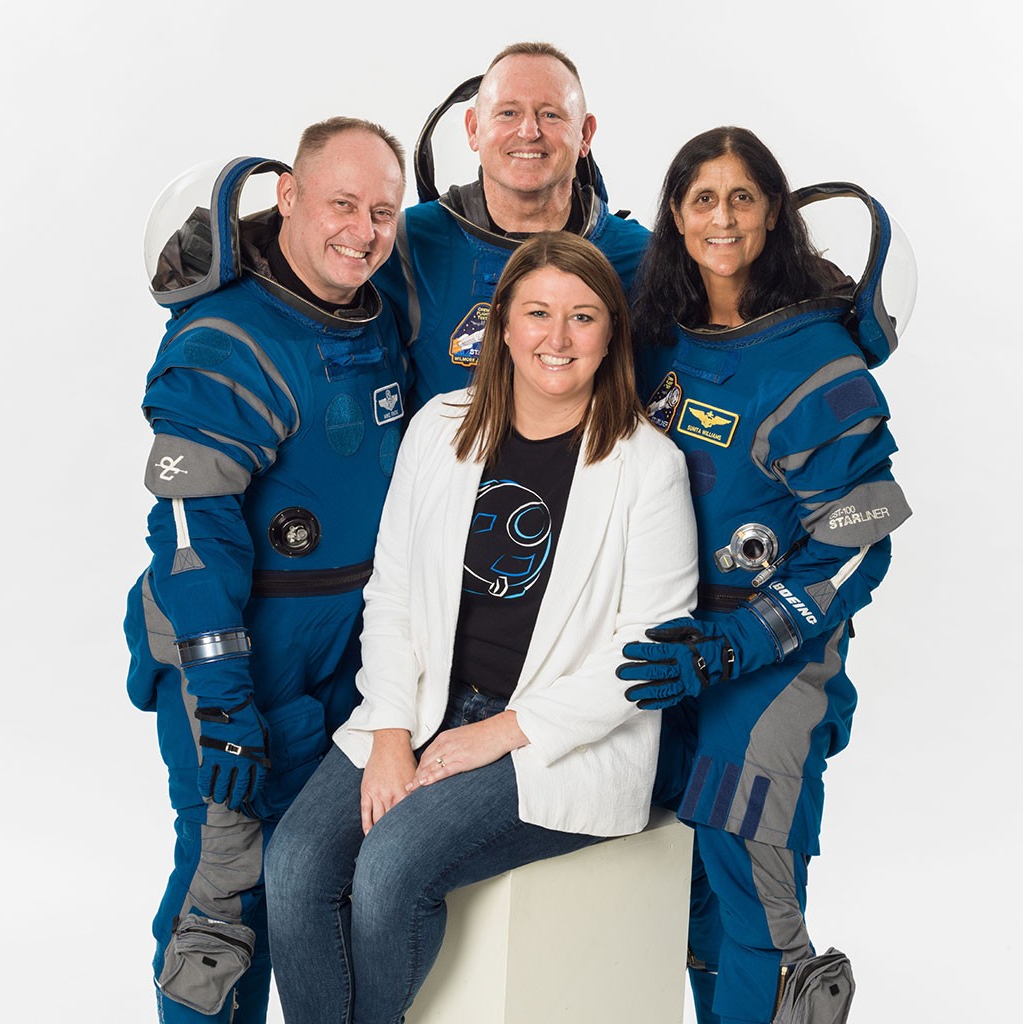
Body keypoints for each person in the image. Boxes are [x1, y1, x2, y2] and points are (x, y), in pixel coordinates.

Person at [263, 232, 699, 1024]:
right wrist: (393, 728)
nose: (557, 339)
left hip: (553, 742)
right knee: (294, 865)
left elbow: (646, 656)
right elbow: (391, 591)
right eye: (537, 313)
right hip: (423, 705)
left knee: (391, 869)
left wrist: (503, 730)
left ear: (611, 334)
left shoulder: (647, 465)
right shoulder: (440, 427)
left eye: (583, 317)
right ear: (502, 325)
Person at [618, 126, 913, 1024]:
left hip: (772, 659)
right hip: (675, 647)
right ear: (675, 213)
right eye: (702, 197)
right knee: (687, 893)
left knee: (751, 879)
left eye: (742, 196)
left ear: (774, 212)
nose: (722, 216)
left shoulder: (813, 360)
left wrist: (745, 641)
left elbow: (863, 535)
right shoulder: (660, 337)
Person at [122, 117, 408, 1024]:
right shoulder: (227, 343)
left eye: (383, 211)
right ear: (286, 195)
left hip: (338, 662)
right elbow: (190, 540)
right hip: (240, 657)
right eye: (341, 204)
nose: (361, 230)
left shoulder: (375, 314)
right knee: (226, 892)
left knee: (311, 889)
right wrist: (223, 700)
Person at [373, 41, 651, 413]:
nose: (529, 131)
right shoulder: (406, 244)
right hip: (447, 464)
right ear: (473, 129)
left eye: (551, 115)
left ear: (585, 135)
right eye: (507, 113)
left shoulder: (642, 257)